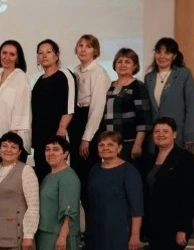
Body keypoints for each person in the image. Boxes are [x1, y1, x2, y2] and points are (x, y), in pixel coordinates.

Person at [143, 117, 194, 250]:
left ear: (174, 134)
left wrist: (183, 227)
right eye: (157, 131)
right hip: (155, 225)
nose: (161, 135)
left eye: (165, 131)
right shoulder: (150, 159)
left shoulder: (185, 158)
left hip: (175, 226)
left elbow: (191, 195)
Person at [85, 132, 143, 250]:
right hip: (98, 230)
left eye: (110, 145)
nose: (106, 148)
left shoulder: (129, 171)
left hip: (120, 231)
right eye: (102, 145)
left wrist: (135, 234)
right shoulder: (95, 170)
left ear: (119, 148)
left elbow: (137, 206)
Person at [70, 34, 111, 202]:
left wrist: (87, 138)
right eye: (80, 45)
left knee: (89, 171)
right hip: (77, 118)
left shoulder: (98, 72)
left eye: (88, 46)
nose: (83, 49)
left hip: (91, 122)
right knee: (77, 170)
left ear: (95, 51)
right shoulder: (75, 71)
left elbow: (97, 107)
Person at [30, 39, 76, 181]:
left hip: (57, 136)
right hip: (40, 140)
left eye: (48, 52)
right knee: (43, 178)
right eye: (40, 53)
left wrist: (61, 131)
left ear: (56, 55)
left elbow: (69, 106)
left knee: (59, 176)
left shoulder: (64, 75)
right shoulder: (39, 80)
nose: (44, 55)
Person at [143, 38, 194, 152]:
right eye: (158, 52)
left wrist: (190, 136)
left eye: (167, 53)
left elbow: (191, 107)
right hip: (155, 136)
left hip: (177, 134)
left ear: (174, 56)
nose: (161, 56)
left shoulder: (184, 74)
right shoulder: (149, 78)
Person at [102, 48, 153, 167]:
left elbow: (144, 119)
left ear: (135, 66)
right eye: (119, 61)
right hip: (110, 143)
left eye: (127, 62)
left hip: (129, 143)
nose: (123, 65)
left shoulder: (138, 86)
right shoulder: (110, 86)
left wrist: (137, 144)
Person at [0, 40, 31, 164]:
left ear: (18, 58)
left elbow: (22, 107)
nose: (7, 57)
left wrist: (11, 138)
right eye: (4, 53)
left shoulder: (21, 77)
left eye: (12, 54)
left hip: (15, 139)